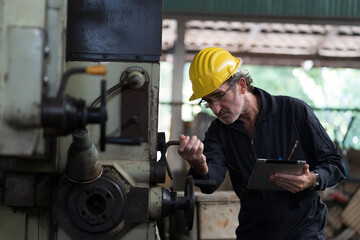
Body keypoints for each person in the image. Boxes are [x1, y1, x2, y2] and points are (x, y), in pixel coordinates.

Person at [178, 47, 346, 240]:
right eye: (208, 101)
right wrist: (199, 164)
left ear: (241, 85)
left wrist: (312, 179)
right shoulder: (219, 131)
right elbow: (210, 183)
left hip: (303, 230)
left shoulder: (293, 112)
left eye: (220, 96)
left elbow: (335, 163)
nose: (215, 109)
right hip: (253, 232)